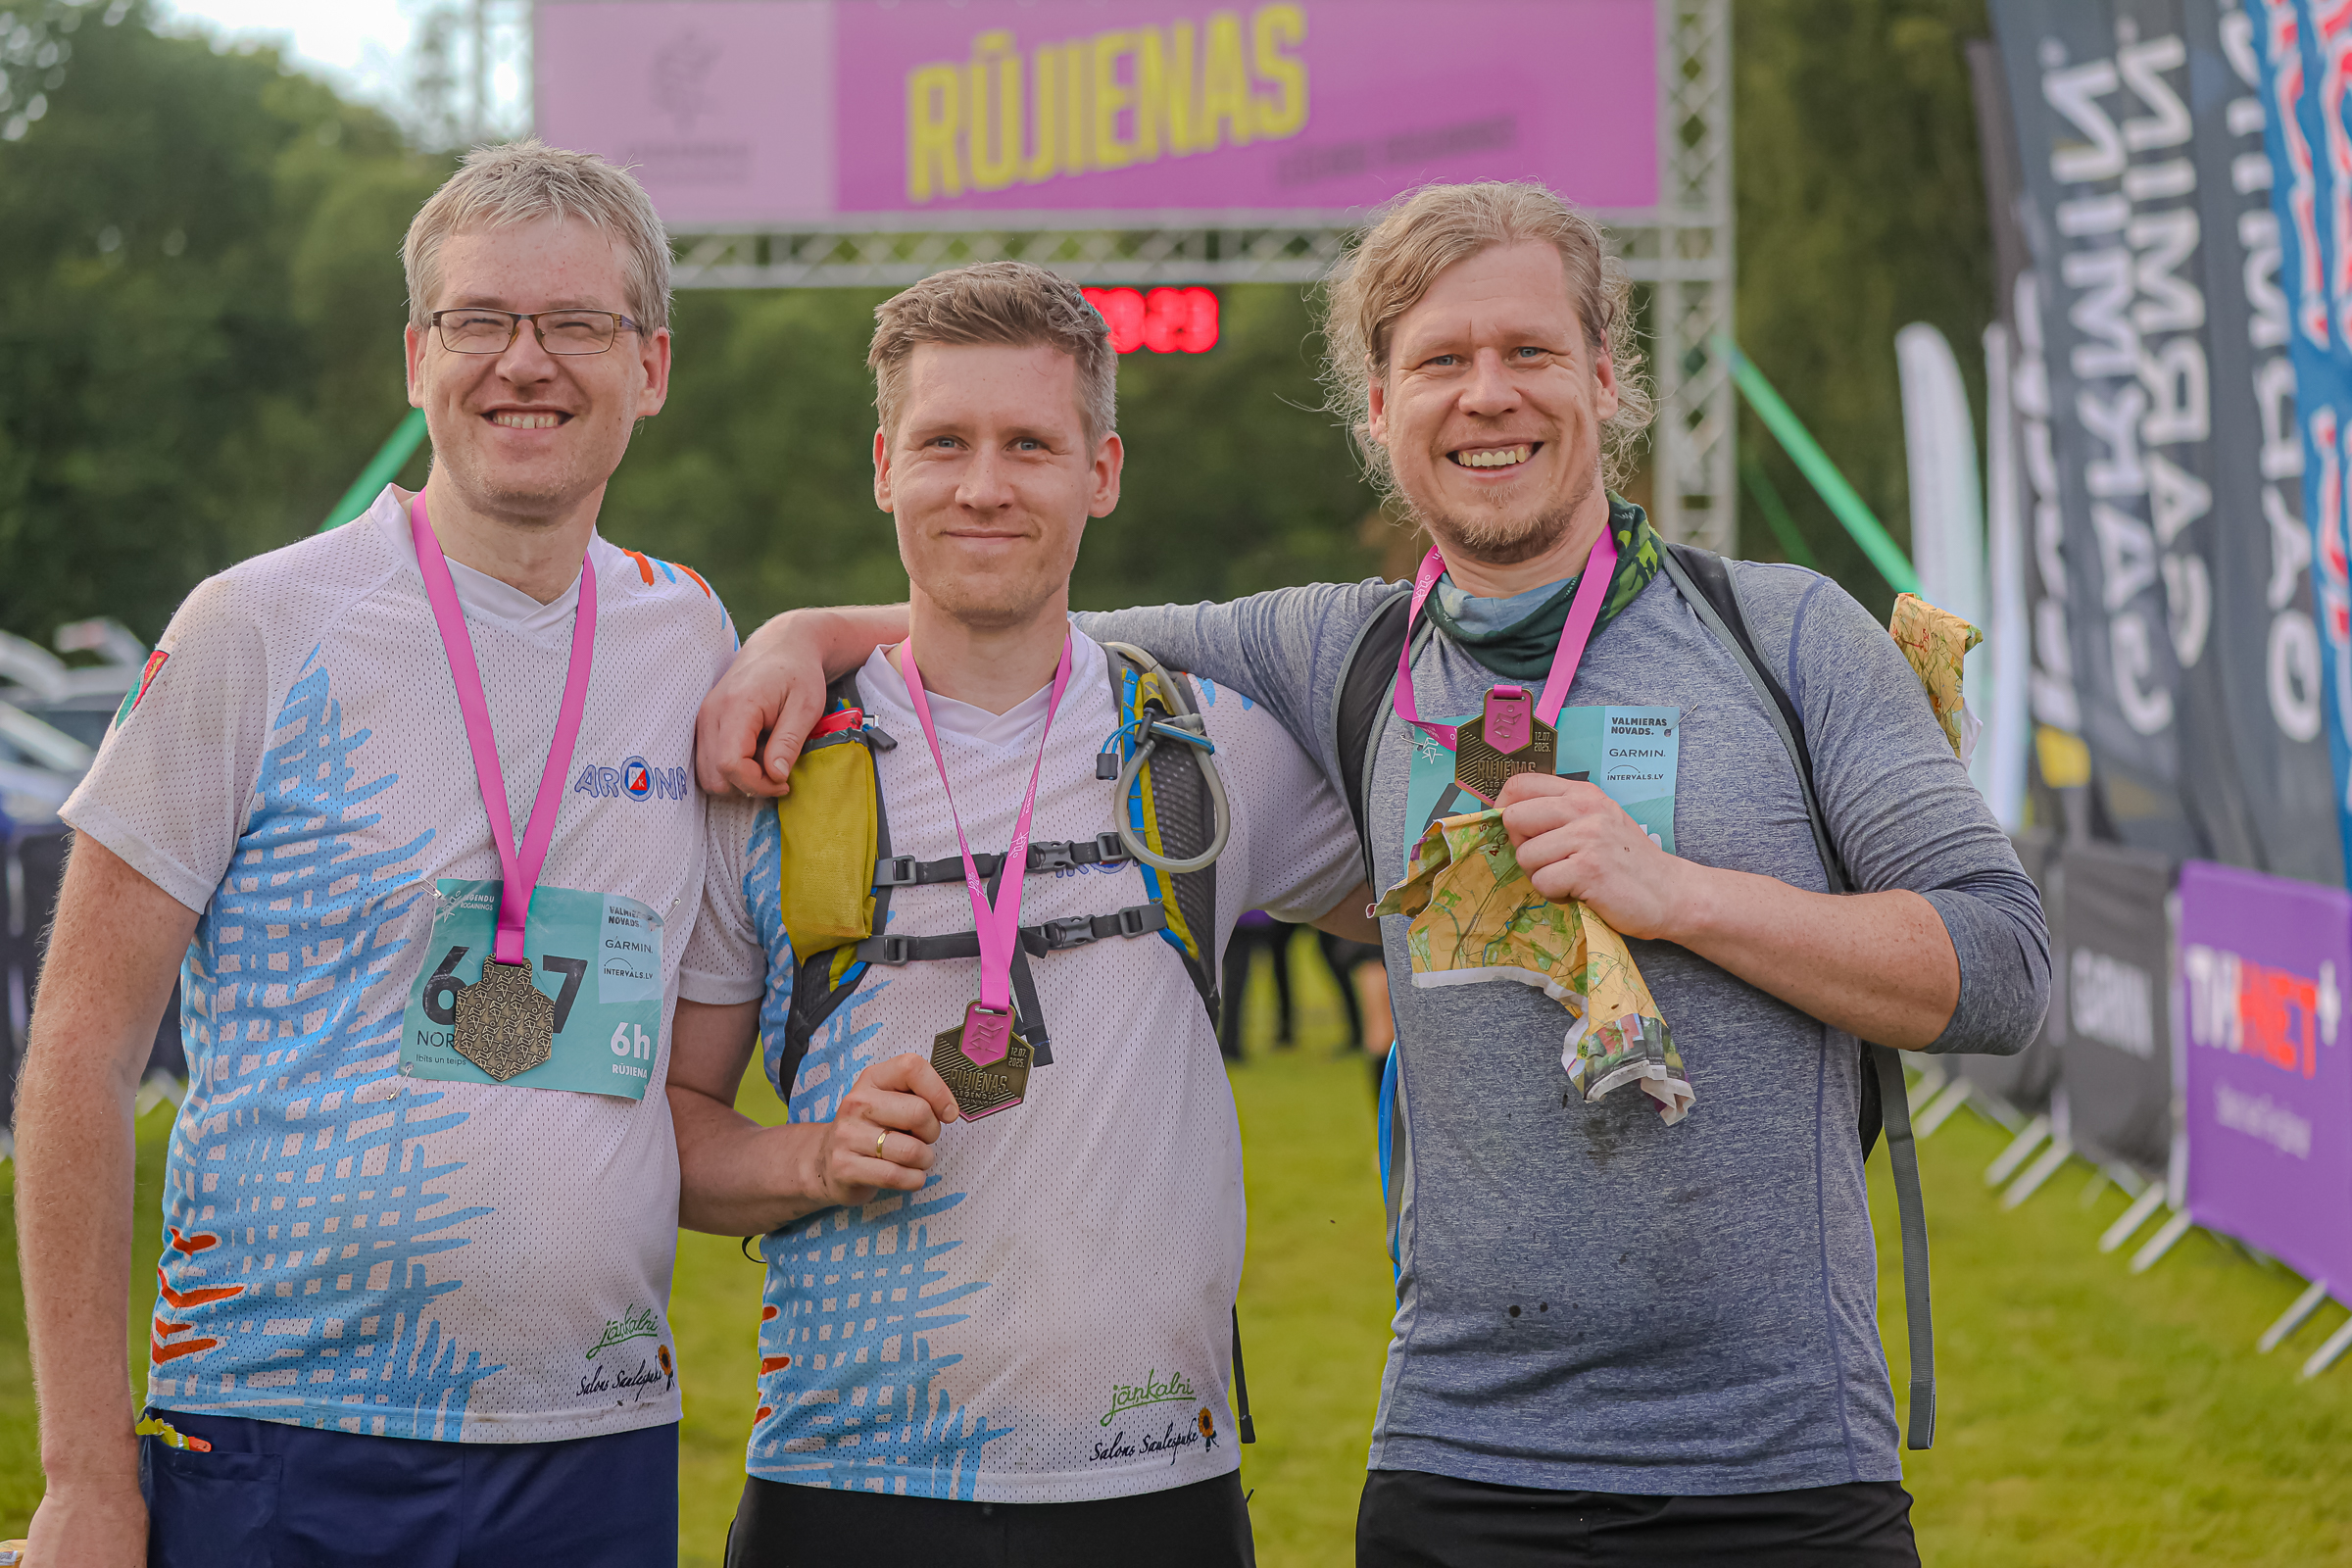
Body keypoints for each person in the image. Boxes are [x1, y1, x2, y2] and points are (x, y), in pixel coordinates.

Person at [697, 182, 2050, 1566]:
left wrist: (1681, 896)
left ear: (1605, 376)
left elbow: (2003, 968)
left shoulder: (1785, 635)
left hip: (1783, 1466)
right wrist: (802, 634)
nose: (1487, 396)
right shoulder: (1336, 654)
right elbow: (1017, 603)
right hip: (1460, 1469)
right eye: (1441, 360)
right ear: (1381, 408)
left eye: (1528, 352)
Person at [14, 140, 735, 1567]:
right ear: (418, 358)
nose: (525, 361)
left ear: (651, 366)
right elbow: (81, 1053)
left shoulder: (689, 634)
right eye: (482, 320)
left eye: (576, 324)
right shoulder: (256, 625)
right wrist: (84, 1475)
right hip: (280, 1432)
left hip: (593, 1438)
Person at [666, 262, 1361, 1566]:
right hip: (844, 1482)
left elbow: (1443, 915)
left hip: (1156, 1480)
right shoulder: (771, 763)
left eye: (1030, 445)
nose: (984, 485)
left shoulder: (1207, 742)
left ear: (1103, 472)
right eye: (945, 443)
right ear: (885, 467)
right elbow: (668, 1135)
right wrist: (812, 1159)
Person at [1219, 910, 1298, 1058]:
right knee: (1237, 979)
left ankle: (1230, 1043)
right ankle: (1229, 1042)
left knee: (1234, 980)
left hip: (1241, 919)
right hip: (1256, 916)